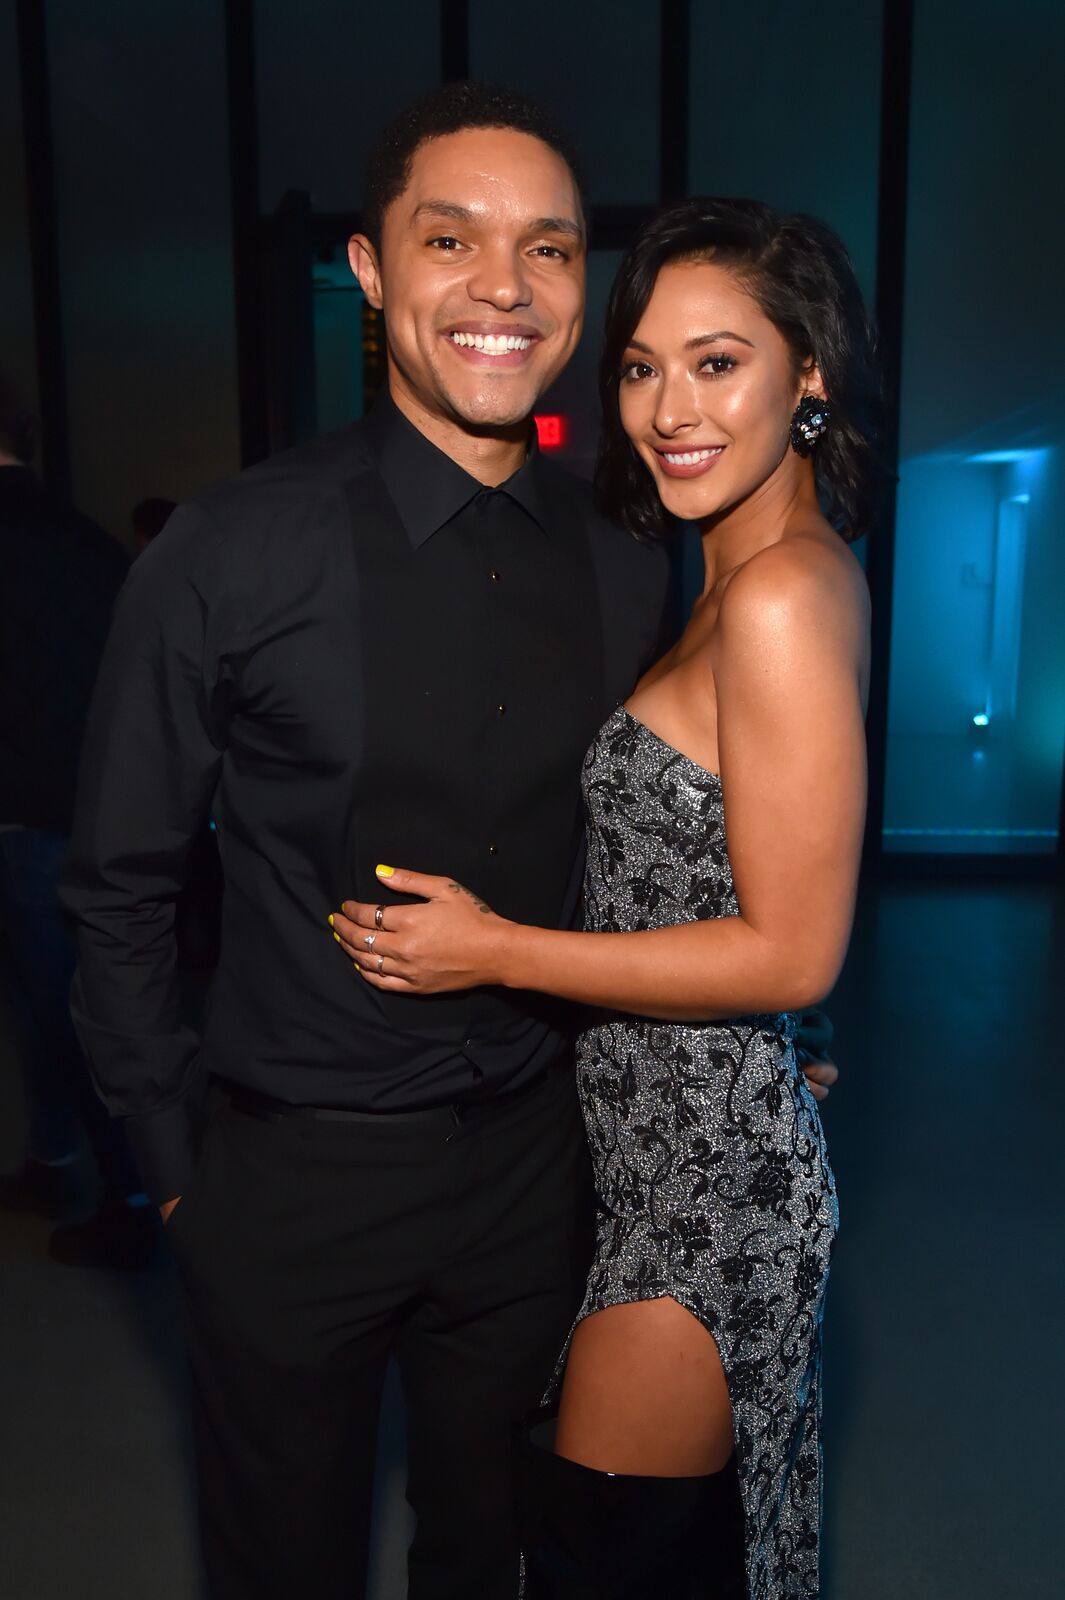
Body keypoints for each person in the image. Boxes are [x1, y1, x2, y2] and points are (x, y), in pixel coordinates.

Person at [61, 87, 835, 1598]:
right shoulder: (229, 548)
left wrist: (776, 1015)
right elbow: (118, 885)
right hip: (293, 1181)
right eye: (450, 239)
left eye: (544, 249)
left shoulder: (626, 555)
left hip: (546, 1178)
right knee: (283, 1565)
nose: (502, 285)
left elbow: (699, 816)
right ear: (369, 269)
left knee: (496, 1560)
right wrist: (178, 1184)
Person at [331, 197, 881, 1597]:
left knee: (604, 1561)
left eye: (718, 362)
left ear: (807, 376)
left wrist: (495, 949)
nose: (666, 408)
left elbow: (796, 946)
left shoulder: (774, 598)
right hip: (652, 1153)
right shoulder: (736, 570)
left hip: (701, 1190)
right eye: (640, 365)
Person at [0, 371, 156, 1270]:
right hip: (104, 811)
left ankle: (123, 1195)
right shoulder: (86, 540)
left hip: (28, 815)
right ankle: (68, 1164)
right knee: (75, 1003)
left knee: (64, 1011)